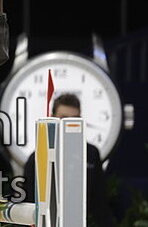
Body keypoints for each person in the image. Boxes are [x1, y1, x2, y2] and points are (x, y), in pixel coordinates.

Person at [22, 93, 117, 227]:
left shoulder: (91, 154)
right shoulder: (37, 158)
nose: (68, 125)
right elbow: (29, 201)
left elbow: (99, 202)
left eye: (74, 119)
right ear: (53, 118)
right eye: (63, 119)